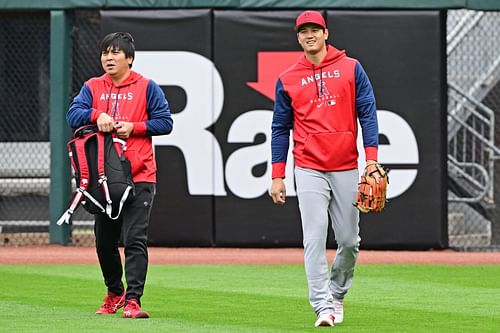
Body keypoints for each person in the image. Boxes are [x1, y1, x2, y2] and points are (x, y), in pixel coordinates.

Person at [270, 10, 381, 327]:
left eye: (314, 29)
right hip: (308, 167)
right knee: (314, 238)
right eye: (303, 31)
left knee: (349, 240)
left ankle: (337, 293)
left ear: (326, 33)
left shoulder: (351, 68)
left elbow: (367, 112)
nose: (309, 35)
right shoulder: (288, 77)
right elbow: (280, 128)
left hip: (346, 164)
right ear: (298, 37)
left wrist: (371, 158)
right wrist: (278, 175)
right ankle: (321, 305)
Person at [66, 32, 173, 319]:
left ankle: (133, 301)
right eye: (105, 53)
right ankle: (115, 291)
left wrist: (135, 127)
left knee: (135, 238)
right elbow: (72, 115)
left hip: (140, 174)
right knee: (104, 240)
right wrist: (94, 115)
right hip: (104, 178)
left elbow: (165, 122)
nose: (109, 58)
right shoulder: (92, 86)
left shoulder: (147, 86)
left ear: (130, 58)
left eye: (115, 53)